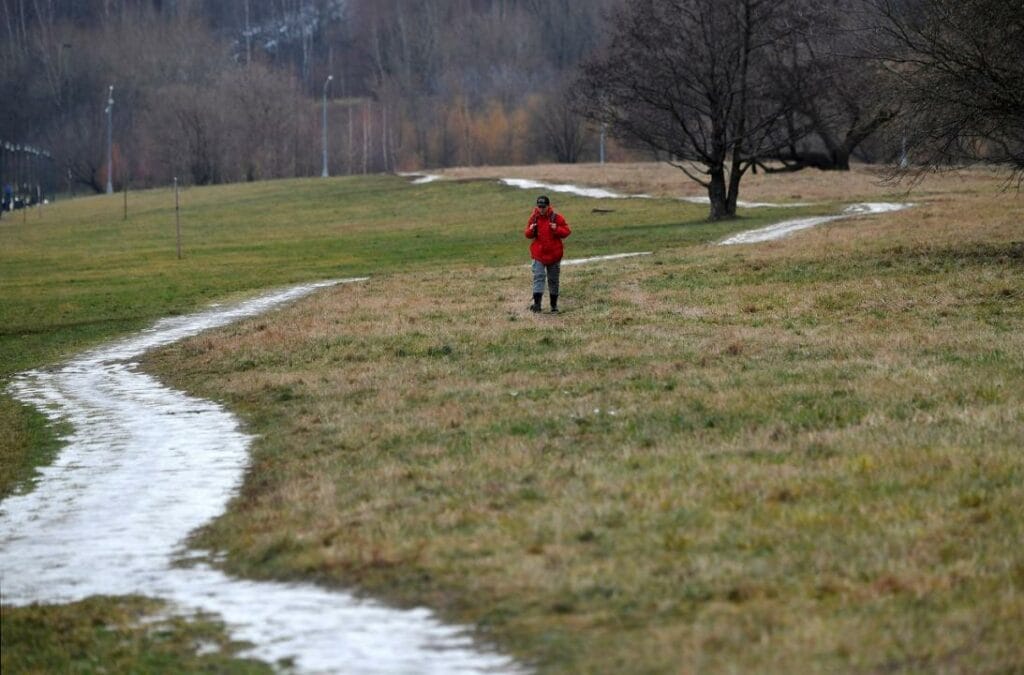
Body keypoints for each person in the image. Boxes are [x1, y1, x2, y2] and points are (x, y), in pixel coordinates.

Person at [524, 194, 571, 313]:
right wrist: (531, 229)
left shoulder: (556, 218)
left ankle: (553, 306)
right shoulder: (534, 218)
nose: (541, 209)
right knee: (538, 277)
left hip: (554, 255)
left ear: (548, 206)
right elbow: (527, 234)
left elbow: (567, 231)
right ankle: (537, 305)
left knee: (553, 280)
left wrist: (556, 228)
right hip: (538, 254)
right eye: (539, 206)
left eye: (543, 206)